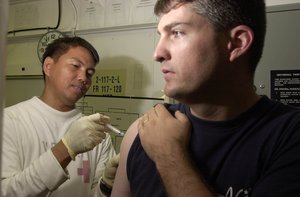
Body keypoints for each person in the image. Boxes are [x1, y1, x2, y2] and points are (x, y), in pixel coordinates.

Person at [112, 0, 300, 196]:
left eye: (177, 33)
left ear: (237, 43)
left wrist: (168, 154)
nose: (157, 54)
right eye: (161, 35)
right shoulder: (143, 131)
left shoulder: (289, 136)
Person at [1, 36, 118, 197]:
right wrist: (66, 148)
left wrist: (106, 184)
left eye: (89, 73)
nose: (83, 78)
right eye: (75, 66)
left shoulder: (98, 134)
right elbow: (6, 192)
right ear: (48, 66)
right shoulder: (9, 121)